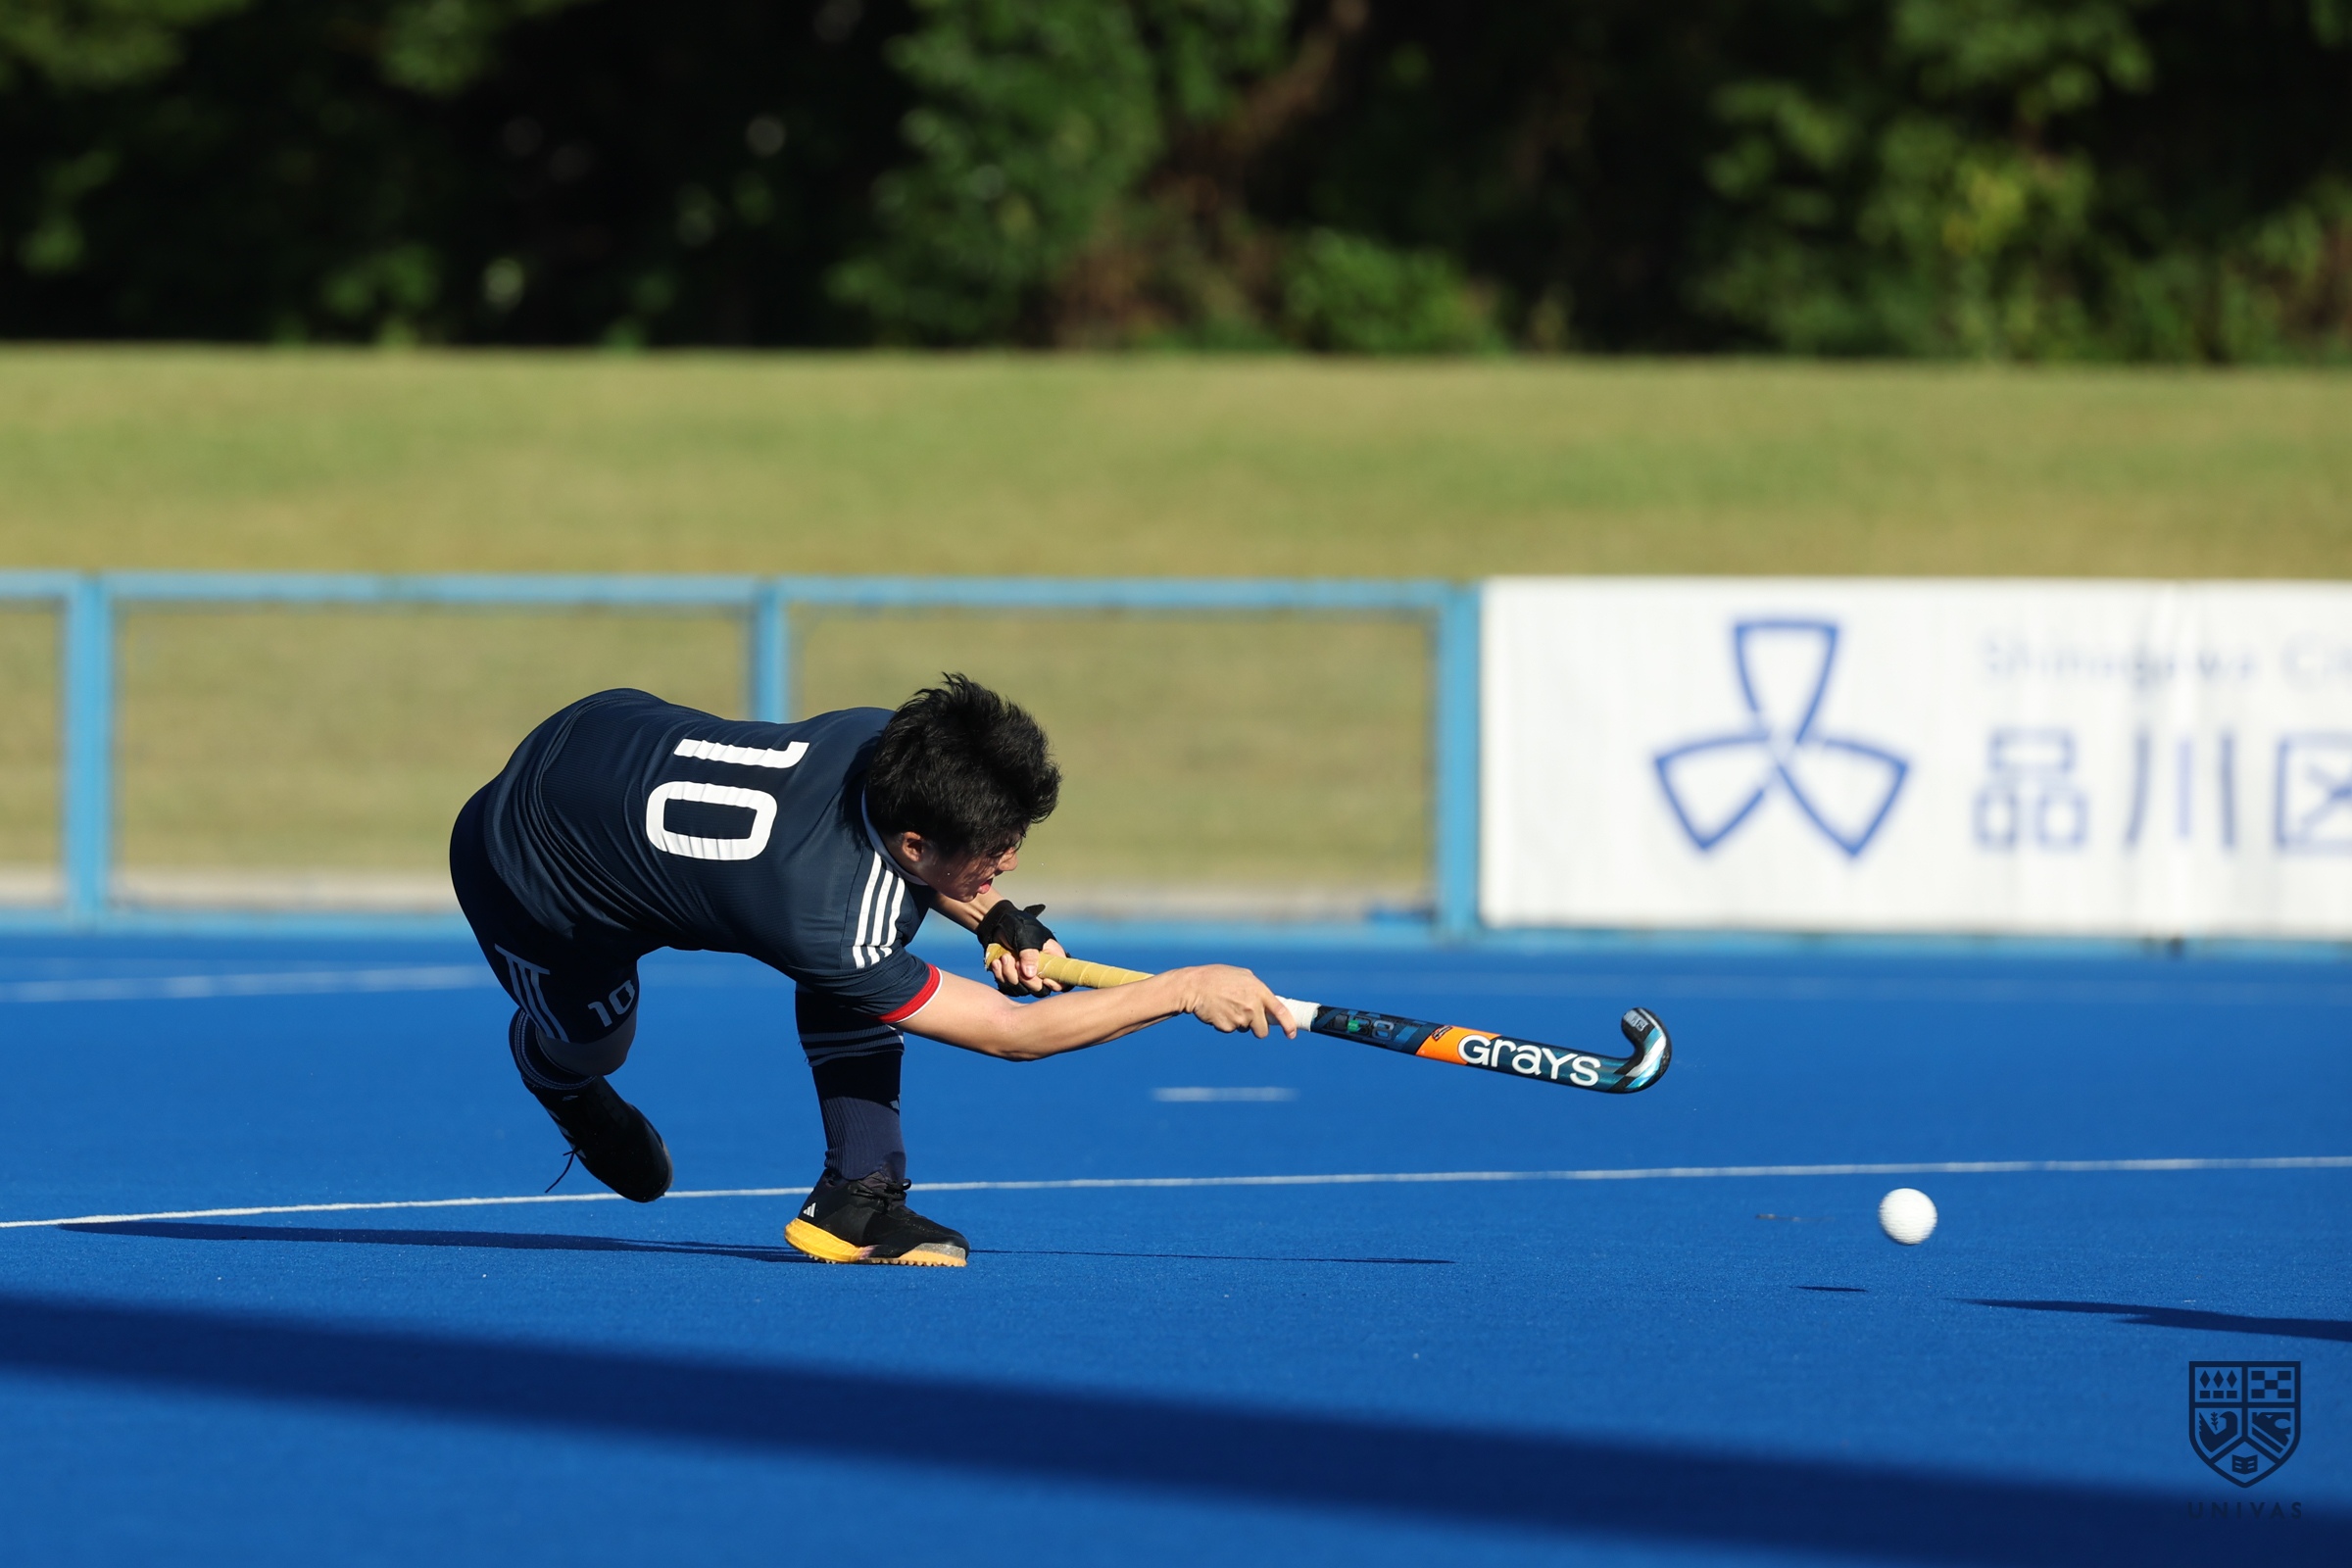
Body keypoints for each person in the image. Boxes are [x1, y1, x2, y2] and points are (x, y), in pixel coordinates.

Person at [449, 674, 1295, 1267]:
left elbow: (895, 880)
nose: (1005, 865)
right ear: (916, 844)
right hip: (529, 867)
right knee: (600, 1045)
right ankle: (554, 1075)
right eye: (993, 856)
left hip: (607, 740)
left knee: (862, 958)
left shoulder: (881, 745)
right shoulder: (827, 914)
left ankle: (856, 1198)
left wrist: (996, 917)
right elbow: (1012, 1035)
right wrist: (1182, 988)